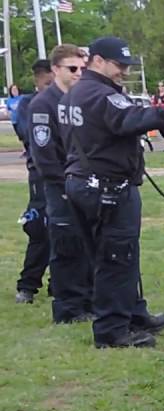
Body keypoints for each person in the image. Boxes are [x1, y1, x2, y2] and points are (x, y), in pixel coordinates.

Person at [60, 36, 164, 348]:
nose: (123, 71)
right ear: (97, 61)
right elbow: (127, 117)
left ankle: (133, 313)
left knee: (118, 254)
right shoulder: (98, 93)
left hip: (86, 183)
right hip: (105, 187)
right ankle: (112, 330)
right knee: (115, 256)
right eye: (118, 65)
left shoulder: (77, 93)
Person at [28, 45, 94, 323]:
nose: (79, 73)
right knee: (66, 244)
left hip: (84, 183)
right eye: (72, 68)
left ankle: (88, 299)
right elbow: (45, 155)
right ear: (55, 69)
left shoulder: (80, 99)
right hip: (60, 186)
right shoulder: (43, 104)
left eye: (82, 68)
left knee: (87, 242)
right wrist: (65, 185)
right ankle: (68, 307)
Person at [14, 60, 54, 304]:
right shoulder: (29, 104)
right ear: (37, 80)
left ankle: (61, 283)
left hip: (68, 172)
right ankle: (28, 285)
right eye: (47, 82)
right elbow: (31, 136)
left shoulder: (65, 101)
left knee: (69, 229)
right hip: (41, 174)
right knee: (39, 227)